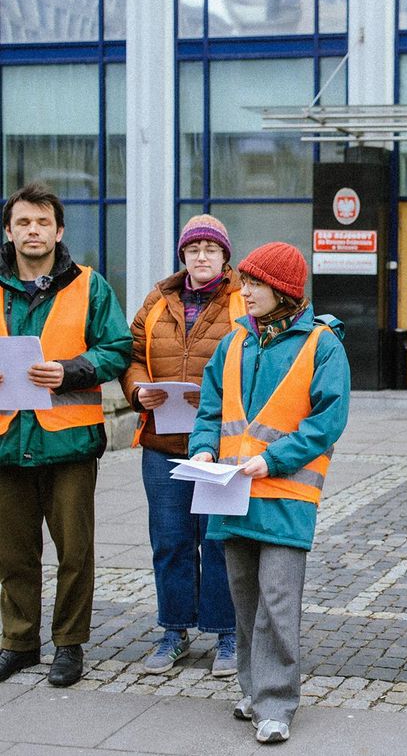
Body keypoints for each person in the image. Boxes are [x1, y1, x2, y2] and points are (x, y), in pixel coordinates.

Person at [189, 242, 350, 744]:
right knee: (244, 602)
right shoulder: (234, 342)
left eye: (256, 283)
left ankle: (275, 704)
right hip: (232, 492)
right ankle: (253, 688)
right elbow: (210, 410)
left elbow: (328, 421)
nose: (245, 290)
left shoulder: (322, 344)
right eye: (245, 281)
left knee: (277, 604)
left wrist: (271, 460)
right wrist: (201, 451)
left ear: (282, 290)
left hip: (285, 496)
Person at [0, 182, 131, 687]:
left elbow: (118, 347)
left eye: (43, 223)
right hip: (8, 439)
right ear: (9, 232)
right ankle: (18, 642)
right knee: (12, 552)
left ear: (59, 231)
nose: (34, 231)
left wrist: (72, 370)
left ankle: (69, 646)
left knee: (75, 551)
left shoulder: (89, 285)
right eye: (24, 223)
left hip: (69, 440)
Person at [120, 215, 243, 677]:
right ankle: (174, 630)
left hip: (223, 443)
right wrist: (137, 391)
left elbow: (256, 361)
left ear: (225, 256)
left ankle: (226, 633)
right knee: (170, 541)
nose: (202, 257)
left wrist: (215, 392)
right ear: (183, 256)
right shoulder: (157, 300)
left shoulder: (241, 301)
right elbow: (130, 356)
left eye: (211, 249)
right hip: (163, 440)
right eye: (194, 250)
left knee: (218, 541)